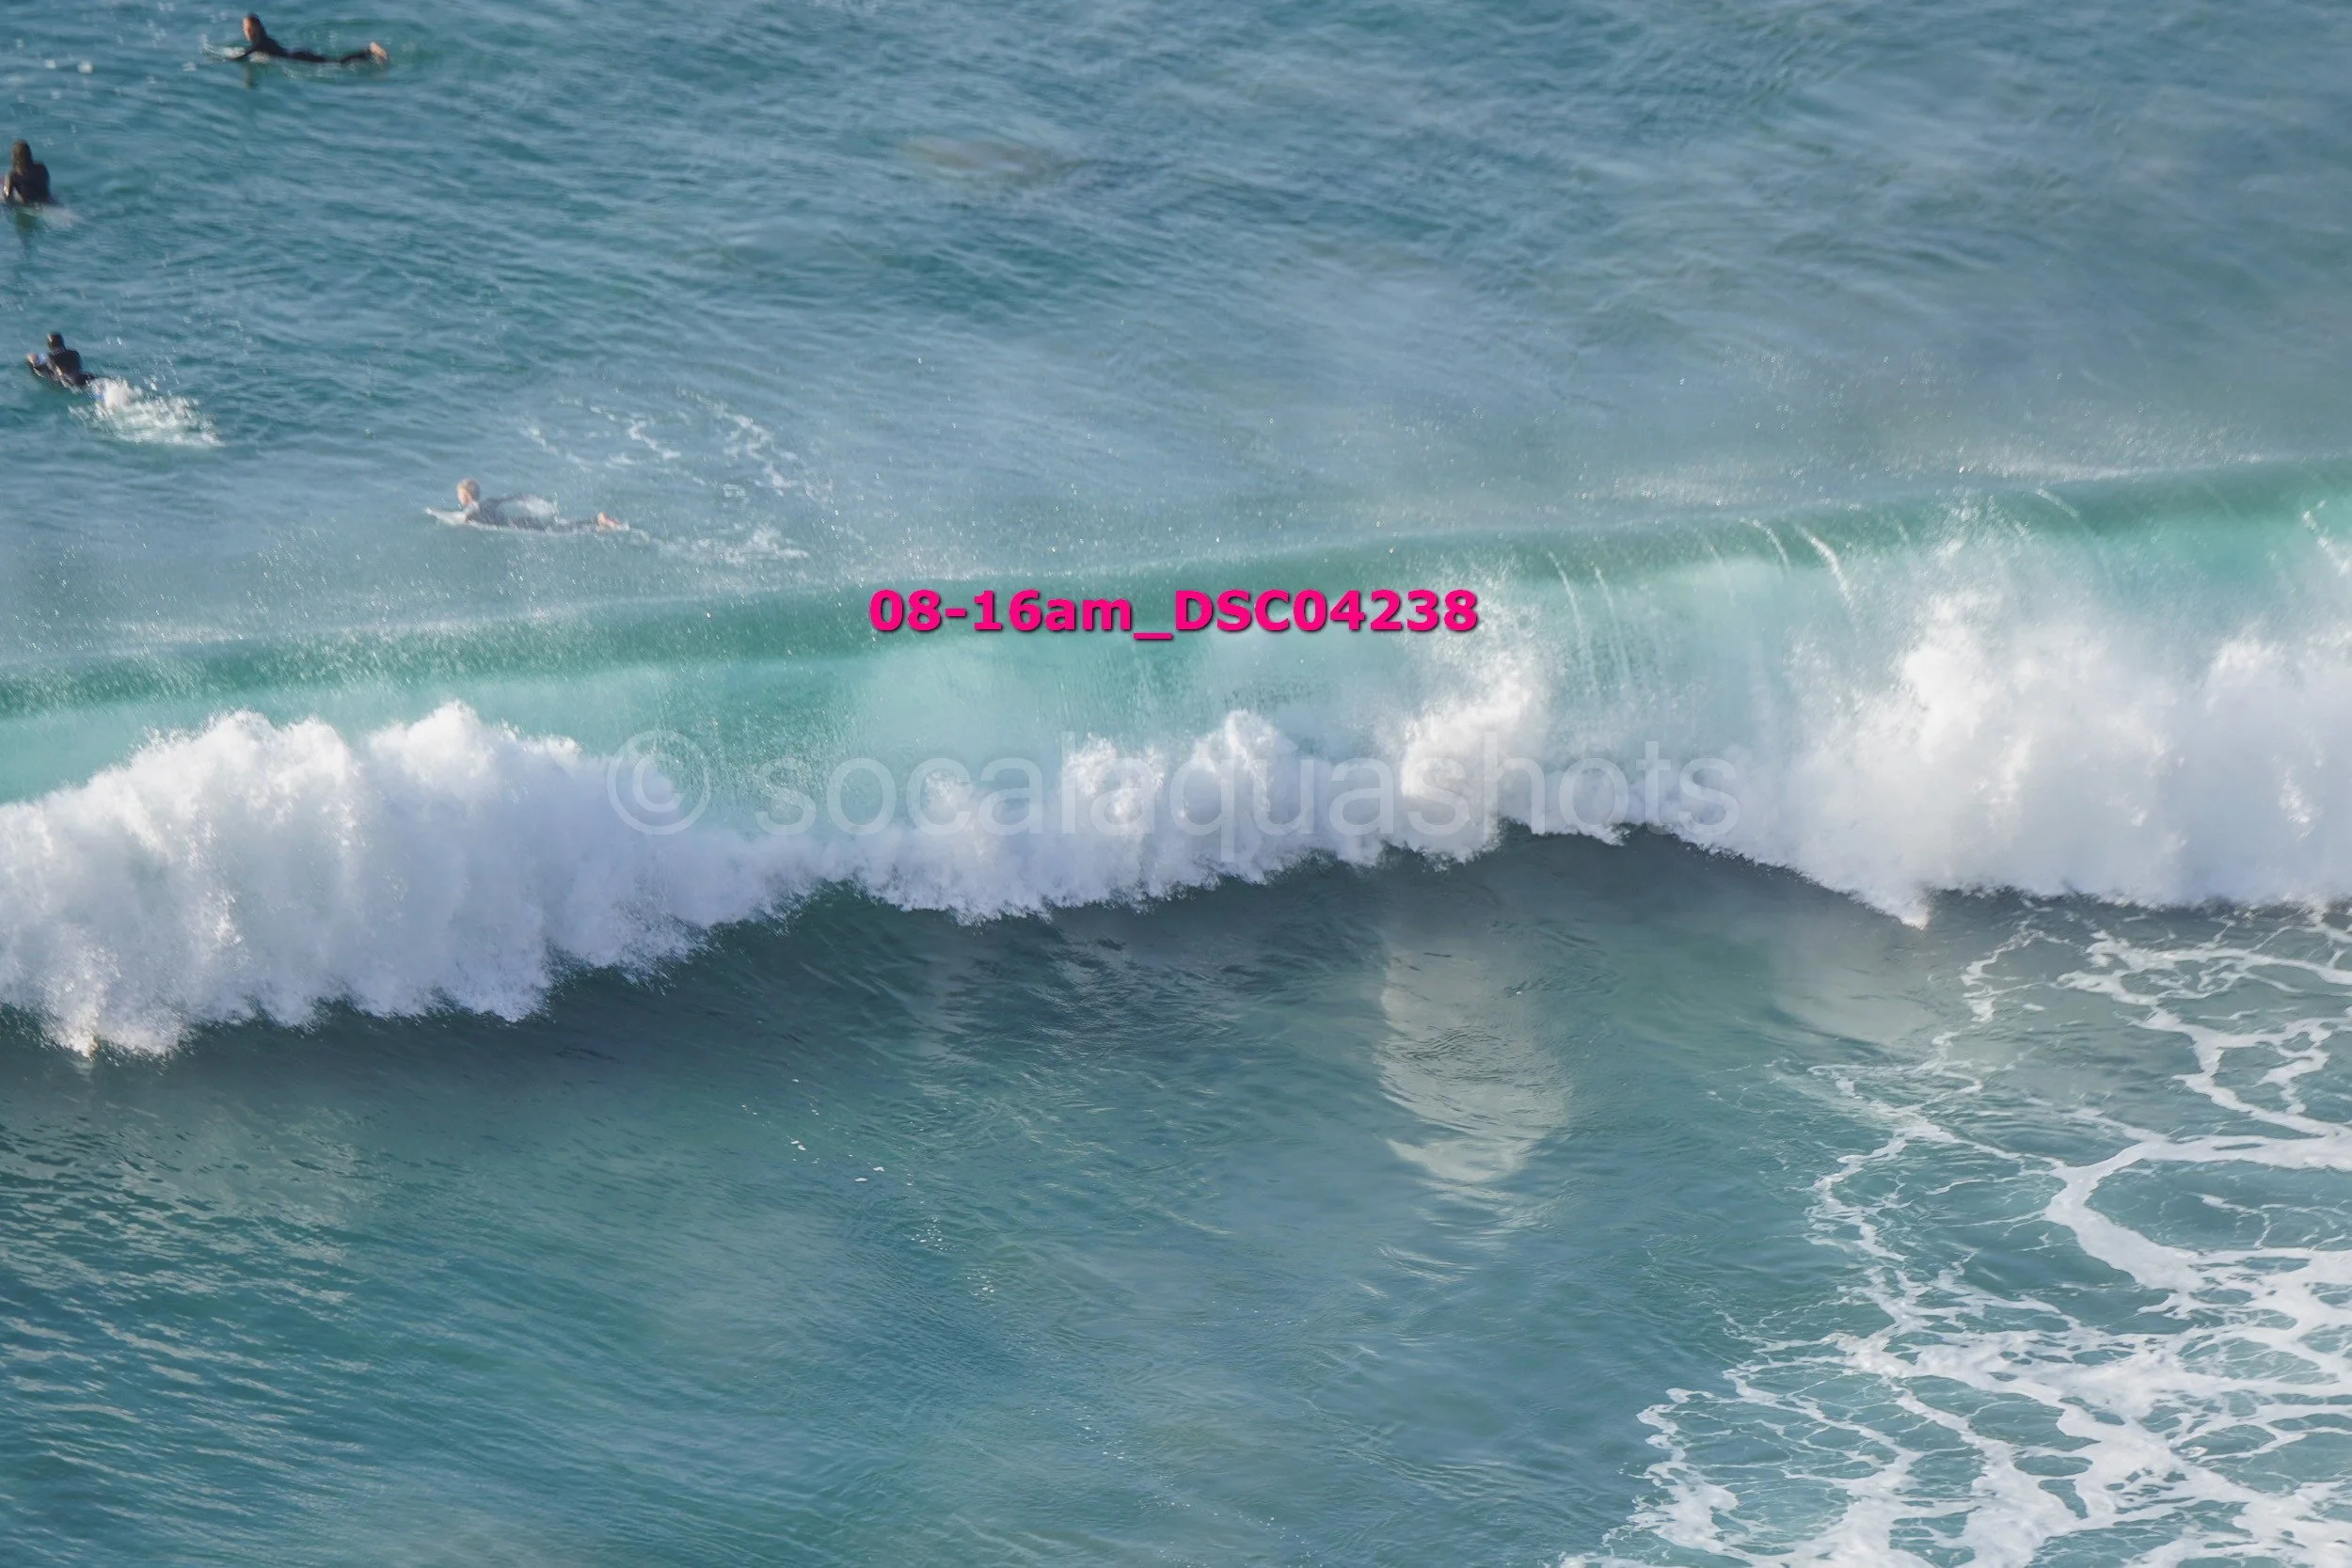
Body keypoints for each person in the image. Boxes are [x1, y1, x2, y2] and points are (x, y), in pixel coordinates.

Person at [447, 478, 626, 532]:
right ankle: (595, 520)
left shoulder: (474, 507)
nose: (457, 496)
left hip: (517, 525)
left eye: (459, 493)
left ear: (466, 494)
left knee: (559, 529)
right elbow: (510, 497)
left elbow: (471, 511)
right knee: (559, 526)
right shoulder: (489, 501)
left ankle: (597, 520)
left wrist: (461, 518)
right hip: (520, 520)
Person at [228, 14, 388, 66]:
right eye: (245, 29)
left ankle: (369, 50)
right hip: (297, 54)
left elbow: (245, 55)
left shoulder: (261, 42)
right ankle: (368, 52)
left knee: (337, 63)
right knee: (335, 62)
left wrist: (224, 60)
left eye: (249, 29)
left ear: (257, 28)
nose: (246, 33)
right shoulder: (262, 41)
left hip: (299, 57)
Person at [26, 333, 91, 389]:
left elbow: (39, 370)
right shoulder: (74, 353)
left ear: (49, 346)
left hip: (70, 382)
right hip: (86, 376)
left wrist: (32, 363)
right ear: (62, 342)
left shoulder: (50, 357)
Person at [3, 141, 51, 205]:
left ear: (14, 157)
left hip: (28, 206)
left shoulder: (13, 175)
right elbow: (46, 182)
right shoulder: (41, 167)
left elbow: (7, 197)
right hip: (47, 201)